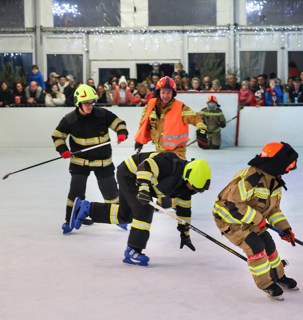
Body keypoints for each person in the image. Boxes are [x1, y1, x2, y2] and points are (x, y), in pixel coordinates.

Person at [69, 152, 211, 266]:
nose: (193, 190)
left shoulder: (187, 189)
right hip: (130, 174)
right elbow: (146, 166)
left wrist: (184, 232)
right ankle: (133, 250)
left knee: (126, 215)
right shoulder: (169, 162)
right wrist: (143, 188)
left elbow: (184, 211)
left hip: (142, 183)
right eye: (193, 186)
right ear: (187, 175)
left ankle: (88, 208)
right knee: (144, 210)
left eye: (197, 190)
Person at [212, 142, 299, 300]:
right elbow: (235, 206)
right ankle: (266, 284)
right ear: (277, 165)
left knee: (269, 243)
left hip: (249, 219)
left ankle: (278, 276)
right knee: (256, 246)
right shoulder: (251, 180)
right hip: (230, 221)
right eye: (285, 168)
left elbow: (273, 210)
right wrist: (258, 220)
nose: (285, 173)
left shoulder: (274, 181)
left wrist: (285, 229)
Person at [51, 84, 129, 234]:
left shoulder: (102, 114)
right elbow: (58, 136)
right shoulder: (69, 119)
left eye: (92, 102)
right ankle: (70, 220)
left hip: (103, 162)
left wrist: (122, 133)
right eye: (86, 103)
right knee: (76, 192)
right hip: (80, 163)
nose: (89, 106)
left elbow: (119, 123)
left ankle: (121, 218)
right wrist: (63, 150)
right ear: (78, 103)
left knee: (111, 193)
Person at [134, 76, 208, 159]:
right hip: (160, 152)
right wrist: (139, 142)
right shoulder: (150, 106)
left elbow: (197, 118)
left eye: (168, 92)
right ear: (159, 92)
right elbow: (144, 124)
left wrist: (201, 131)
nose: (165, 96)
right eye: (163, 92)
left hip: (177, 155)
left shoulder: (181, 108)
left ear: (173, 93)